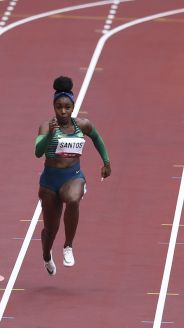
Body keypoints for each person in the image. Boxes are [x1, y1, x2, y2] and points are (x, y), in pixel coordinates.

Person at [35, 76, 111, 276]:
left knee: (73, 199)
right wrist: (50, 135)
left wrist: (106, 161)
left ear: (73, 106)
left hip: (73, 176)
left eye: (67, 107)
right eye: (59, 107)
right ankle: (46, 255)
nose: (63, 112)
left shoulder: (82, 125)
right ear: (53, 106)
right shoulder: (46, 126)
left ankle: (68, 246)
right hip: (50, 181)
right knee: (50, 230)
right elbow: (37, 152)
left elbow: (97, 138)